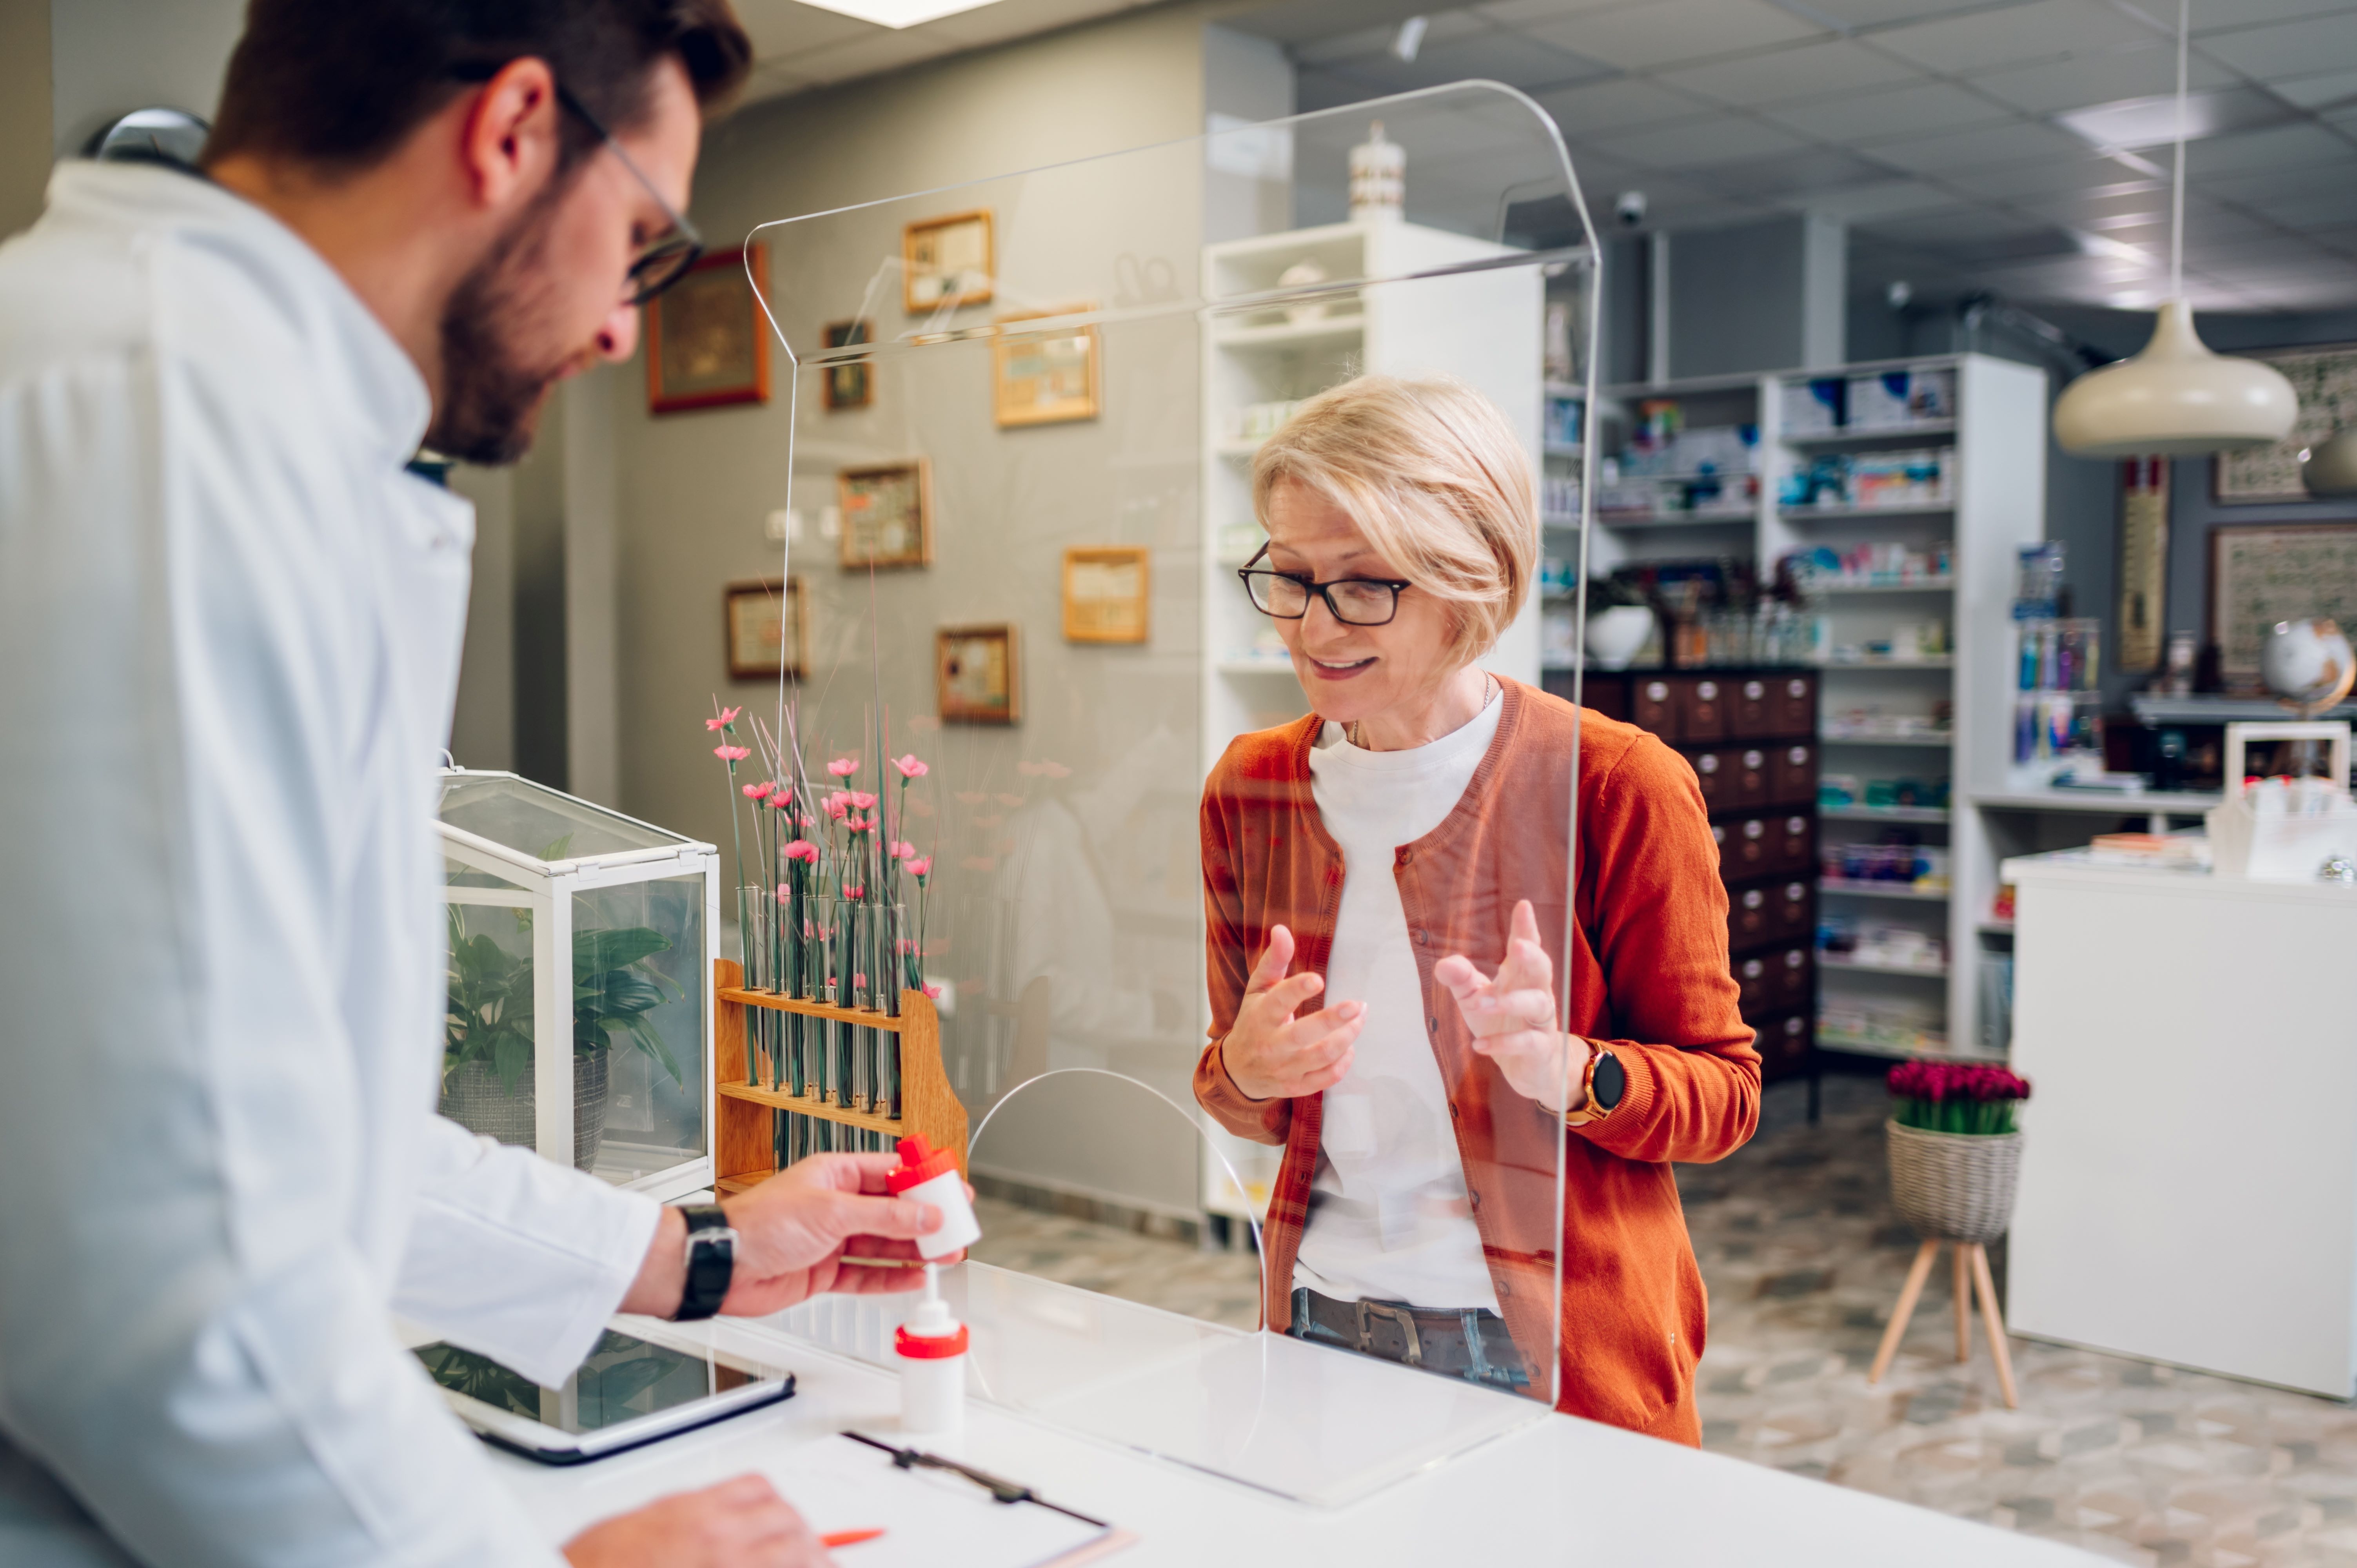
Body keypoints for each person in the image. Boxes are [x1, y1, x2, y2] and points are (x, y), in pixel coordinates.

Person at [0, 4, 949, 1565]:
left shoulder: (214, 407)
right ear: (511, 131)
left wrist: (692, 1256)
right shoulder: (170, 424)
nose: (624, 327)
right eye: (641, 237)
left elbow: (280, 1137)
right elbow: (181, 1300)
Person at [1191, 374, 1760, 1445]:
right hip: (1317, 1323)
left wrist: (1571, 1070)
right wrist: (1247, 1074)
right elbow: (1240, 1092)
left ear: (1470, 578)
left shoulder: (1615, 782)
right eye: (1291, 577)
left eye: (1364, 585)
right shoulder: (1249, 785)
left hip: (1550, 1356)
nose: (1313, 626)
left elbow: (1725, 1094)